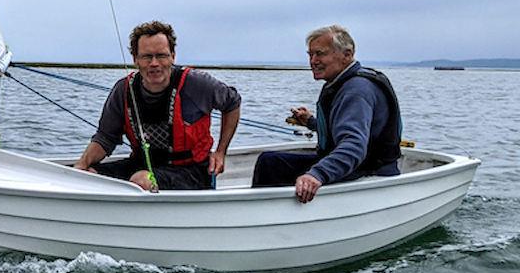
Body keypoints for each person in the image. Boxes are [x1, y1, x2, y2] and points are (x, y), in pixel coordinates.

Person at [73, 20, 241, 191]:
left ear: (173, 56)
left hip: (191, 171)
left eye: (161, 55)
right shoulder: (123, 90)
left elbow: (232, 102)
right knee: (89, 175)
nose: (154, 63)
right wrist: (81, 165)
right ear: (135, 59)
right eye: (147, 56)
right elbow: (105, 138)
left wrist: (221, 151)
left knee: (141, 180)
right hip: (141, 164)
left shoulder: (197, 84)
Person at [252, 24, 401, 203]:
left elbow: (353, 145)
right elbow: (342, 128)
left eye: (320, 53)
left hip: (369, 169)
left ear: (347, 55)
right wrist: (311, 122)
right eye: (310, 54)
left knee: (270, 163)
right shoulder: (343, 84)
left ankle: (265, 215)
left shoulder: (356, 91)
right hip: (360, 164)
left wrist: (316, 175)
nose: (313, 61)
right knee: (271, 161)